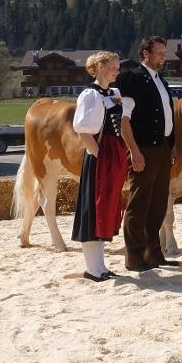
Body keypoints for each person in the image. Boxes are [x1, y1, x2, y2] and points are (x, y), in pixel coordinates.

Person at [114, 36, 178, 271]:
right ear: (145, 54)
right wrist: (134, 151)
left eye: (164, 52)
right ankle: (134, 257)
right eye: (159, 52)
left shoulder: (161, 80)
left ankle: (153, 253)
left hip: (162, 148)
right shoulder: (132, 78)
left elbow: (167, 116)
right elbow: (124, 119)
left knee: (158, 204)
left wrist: (172, 145)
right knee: (139, 204)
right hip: (143, 149)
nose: (163, 56)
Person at [70, 51, 129, 280]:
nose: (117, 71)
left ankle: (100, 266)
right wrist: (98, 154)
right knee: (92, 209)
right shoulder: (90, 94)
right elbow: (82, 130)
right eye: (113, 67)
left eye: (117, 67)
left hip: (113, 155)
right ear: (100, 67)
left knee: (106, 208)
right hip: (99, 156)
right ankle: (92, 268)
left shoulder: (114, 93)